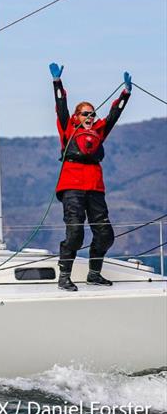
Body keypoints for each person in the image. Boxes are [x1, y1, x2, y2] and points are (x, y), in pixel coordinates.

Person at [49, 63, 132, 291]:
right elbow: (60, 105)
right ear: (77, 116)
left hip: (95, 187)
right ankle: (64, 276)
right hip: (72, 186)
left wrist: (125, 93)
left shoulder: (98, 131)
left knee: (105, 234)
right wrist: (57, 82)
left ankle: (94, 274)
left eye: (92, 113)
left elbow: (114, 114)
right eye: (85, 113)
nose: (90, 116)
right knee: (75, 232)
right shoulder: (68, 126)